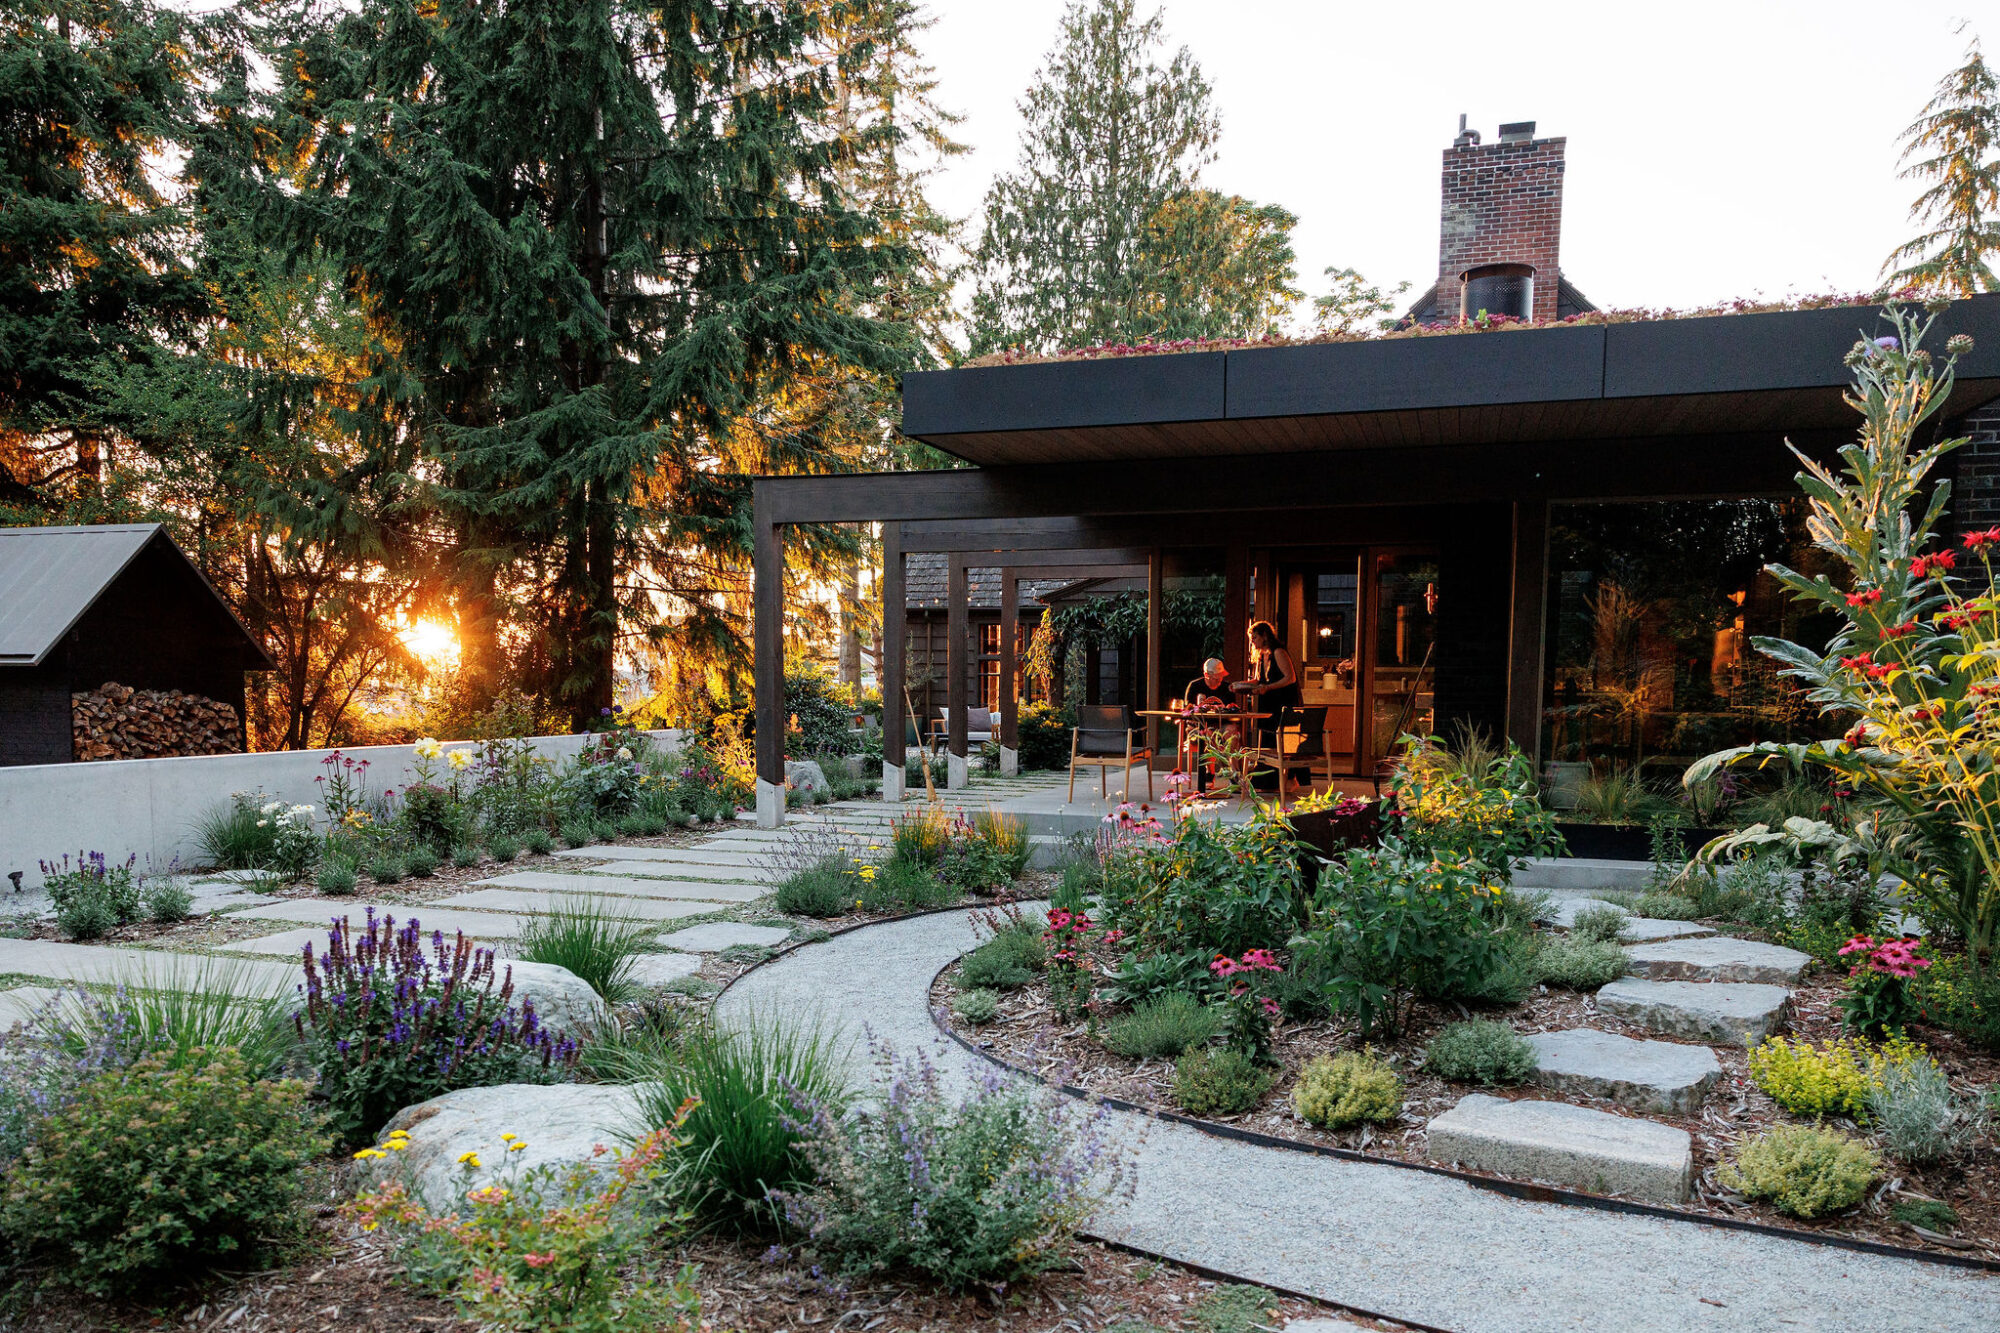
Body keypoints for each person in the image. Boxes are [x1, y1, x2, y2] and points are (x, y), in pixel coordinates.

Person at [1235, 620, 1301, 744]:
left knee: (1279, 739)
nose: (1252, 641)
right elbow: (1258, 680)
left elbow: (1290, 677)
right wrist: (1240, 685)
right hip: (1269, 702)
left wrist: (1268, 687)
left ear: (1264, 636)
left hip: (1283, 702)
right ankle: (1265, 762)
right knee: (1266, 736)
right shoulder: (1261, 656)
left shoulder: (1278, 652)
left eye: (1255, 637)